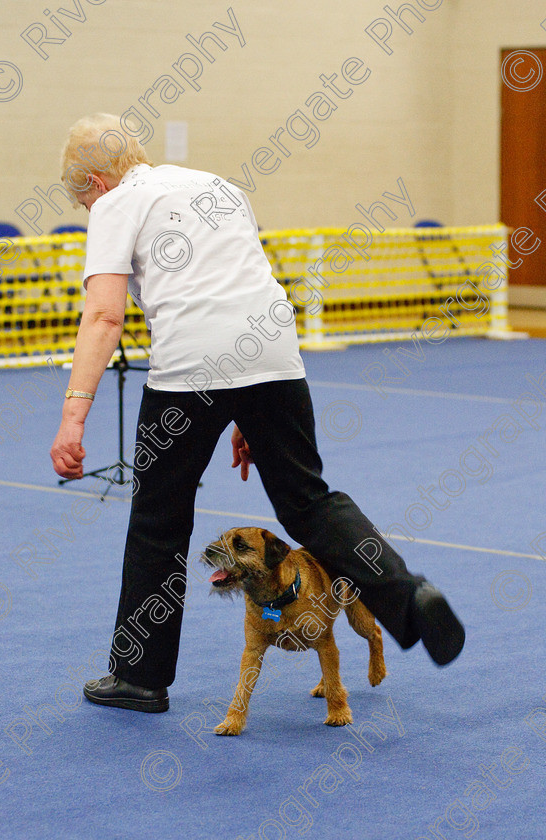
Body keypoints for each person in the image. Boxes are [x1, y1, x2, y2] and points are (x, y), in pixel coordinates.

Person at [50, 113, 465, 714]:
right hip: (272, 354)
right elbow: (240, 281)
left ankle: (140, 678)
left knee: (159, 519)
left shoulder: (117, 205)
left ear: (95, 182)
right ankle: (406, 596)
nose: (90, 210)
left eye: (83, 200)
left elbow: (104, 317)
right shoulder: (219, 186)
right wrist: (248, 411)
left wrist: (72, 415)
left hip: (189, 366)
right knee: (308, 500)